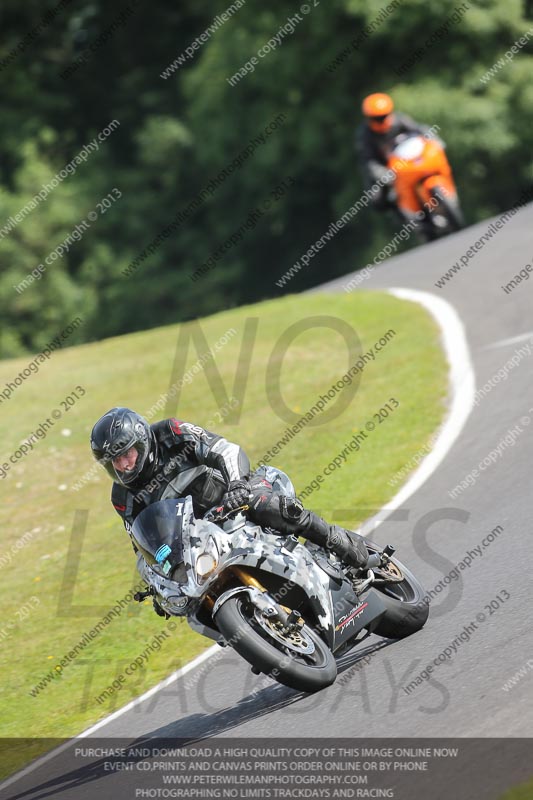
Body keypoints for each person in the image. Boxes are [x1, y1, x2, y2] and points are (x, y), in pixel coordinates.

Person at [90, 408, 371, 599]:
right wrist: (159, 583)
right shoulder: (122, 497)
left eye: (127, 454)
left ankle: (341, 545)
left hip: (235, 494)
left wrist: (236, 484)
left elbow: (225, 449)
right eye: (115, 461)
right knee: (194, 596)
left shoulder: (171, 433)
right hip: (201, 540)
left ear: (142, 441)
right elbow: (142, 548)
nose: (124, 465)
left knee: (268, 505)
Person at [356, 92, 439, 213]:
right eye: (377, 118)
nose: (382, 120)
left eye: (384, 116)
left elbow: (419, 129)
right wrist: (381, 173)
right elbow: (369, 160)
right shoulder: (365, 134)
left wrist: (434, 139)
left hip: (407, 159)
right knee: (378, 199)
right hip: (385, 167)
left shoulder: (400, 120)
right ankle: (404, 212)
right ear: (369, 117)